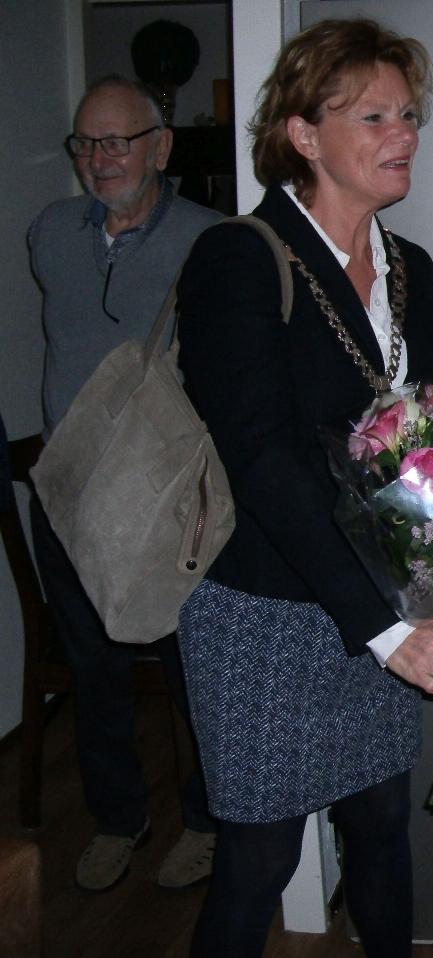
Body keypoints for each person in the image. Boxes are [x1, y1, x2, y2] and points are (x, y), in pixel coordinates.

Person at [174, 19, 433, 958]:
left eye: (409, 114)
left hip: (382, 601)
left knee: (381, 824)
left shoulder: (411, 267)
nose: (404, 134)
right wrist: (386, 629)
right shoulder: (239, 256)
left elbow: (432, 439)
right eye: (374, 116)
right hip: (267, 607)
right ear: (303, 135)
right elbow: (262, 462)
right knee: (257, 859)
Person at [27, 75, 220, 893]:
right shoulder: (49, 234)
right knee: (94, 671)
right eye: (86, 143)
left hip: (162, 502)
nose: (99, 159)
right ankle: (118, 820)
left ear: (160, 147)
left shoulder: (211, 241)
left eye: (118, 141)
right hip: (67, 493)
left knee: (191, 669)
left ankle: (208, 821)